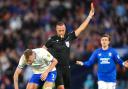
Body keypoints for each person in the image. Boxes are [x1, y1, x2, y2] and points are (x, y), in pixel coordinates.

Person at [44, 2, 95, 89]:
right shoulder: (51, 40)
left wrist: (89, 16)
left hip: (67, 68)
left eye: (63, 30)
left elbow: (81, 28)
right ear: (56, 30)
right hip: (57, 69)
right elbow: (43, 50)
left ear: (65, 29)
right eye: (59, 30)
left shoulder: (69, 37)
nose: (61, 32)